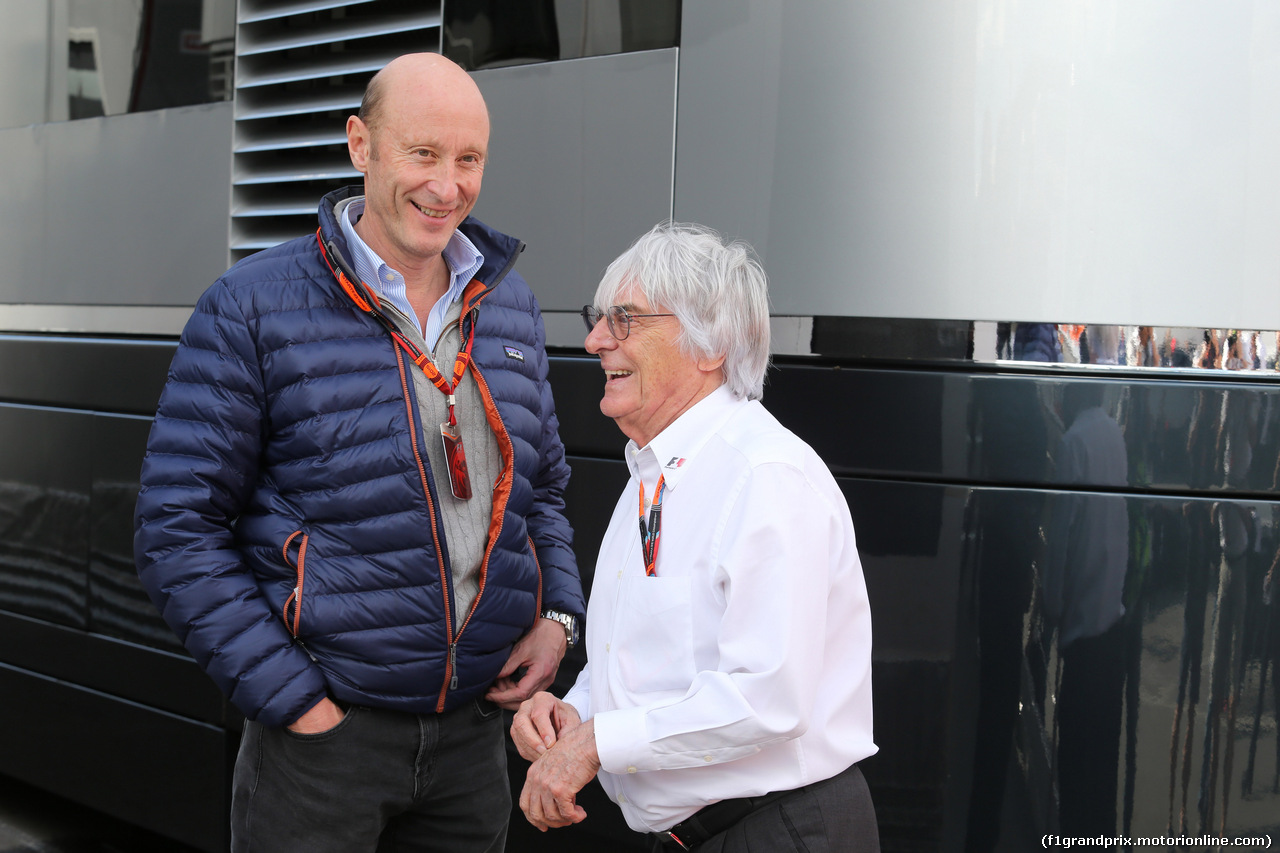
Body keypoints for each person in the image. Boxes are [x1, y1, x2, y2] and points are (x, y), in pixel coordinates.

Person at [133, 53, 584, 853]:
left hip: (472, 741)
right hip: (323, 745)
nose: (447, 186)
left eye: (468, 159)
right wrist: (298, 703)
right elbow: (177, 527)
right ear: (360, 145)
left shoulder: (508, 303)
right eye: (423, 153)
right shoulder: (250, 307)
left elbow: (542, 491)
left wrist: (557, 618)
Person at [511, 223, 879, 851]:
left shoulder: (766, 478)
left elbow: (766, 698)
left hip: (782, 832)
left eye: (624, 320)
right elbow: (647, 660)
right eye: (599, 318)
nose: (596, 340)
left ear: (710, 345)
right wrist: (575, 713)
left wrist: (599, 743)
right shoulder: (653, 468)